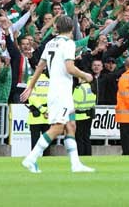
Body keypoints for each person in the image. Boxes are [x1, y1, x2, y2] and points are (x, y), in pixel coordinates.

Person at [20, 15, 95, 173]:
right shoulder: (68, 44)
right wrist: (85, 75)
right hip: (60, 92)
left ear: (57, 28)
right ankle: (31, 158)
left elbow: (40, 66)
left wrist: (31, 86)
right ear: (72, 29)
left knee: (71, 125)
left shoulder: (50, 43)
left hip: (61, 92)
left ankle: (75, 164)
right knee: (58, 127)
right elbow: (70, 67)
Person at [26, 73, 50, 149]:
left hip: (35, 117)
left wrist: (42, 109)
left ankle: (35, 160)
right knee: (46, 144)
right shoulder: (50, 79)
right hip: (47, 115)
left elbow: (32, 97)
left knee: (35, 144)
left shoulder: (31, 79)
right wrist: (46, 110)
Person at [72, 80, 96, 157]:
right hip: (88, 116)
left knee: (79, 138)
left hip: (79, 116)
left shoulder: (79, 88)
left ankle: (80, 156)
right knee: (87, 138)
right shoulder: (91, 87)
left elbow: (73, 105)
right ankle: (88, 155)